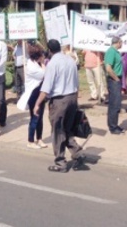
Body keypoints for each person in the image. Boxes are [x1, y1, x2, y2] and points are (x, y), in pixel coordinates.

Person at [34, 39, 85, 173]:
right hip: (72, 97)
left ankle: (60, 163)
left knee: (57, 131)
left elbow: (46, 88)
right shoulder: (70, 60)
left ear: (49, 50)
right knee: (66, 129)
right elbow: (77, 82)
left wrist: (37, 104)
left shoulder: (52, 64)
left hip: (59, 101)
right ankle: (77, 154)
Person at [18, 46, 48, 149]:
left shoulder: (36, 64)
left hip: (40, 93)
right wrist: (43, 64)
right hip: (33, 95)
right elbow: (45, 74)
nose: (44, 57)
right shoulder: (31, 66)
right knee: (35, 117)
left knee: (40, 118)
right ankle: (30, 141)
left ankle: (39, 138)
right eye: (42, 55)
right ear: (38, 56)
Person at [104, 37, 124, 134]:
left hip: (116, 79)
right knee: (114, 104)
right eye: (121, 42)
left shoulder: (116, 52)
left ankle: (114, 124)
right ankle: (113, 127)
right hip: (113, 80)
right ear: (118, 42)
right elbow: (108, 68)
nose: (122, 44)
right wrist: (116, 79)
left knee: (116, 103)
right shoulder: (111, 51)